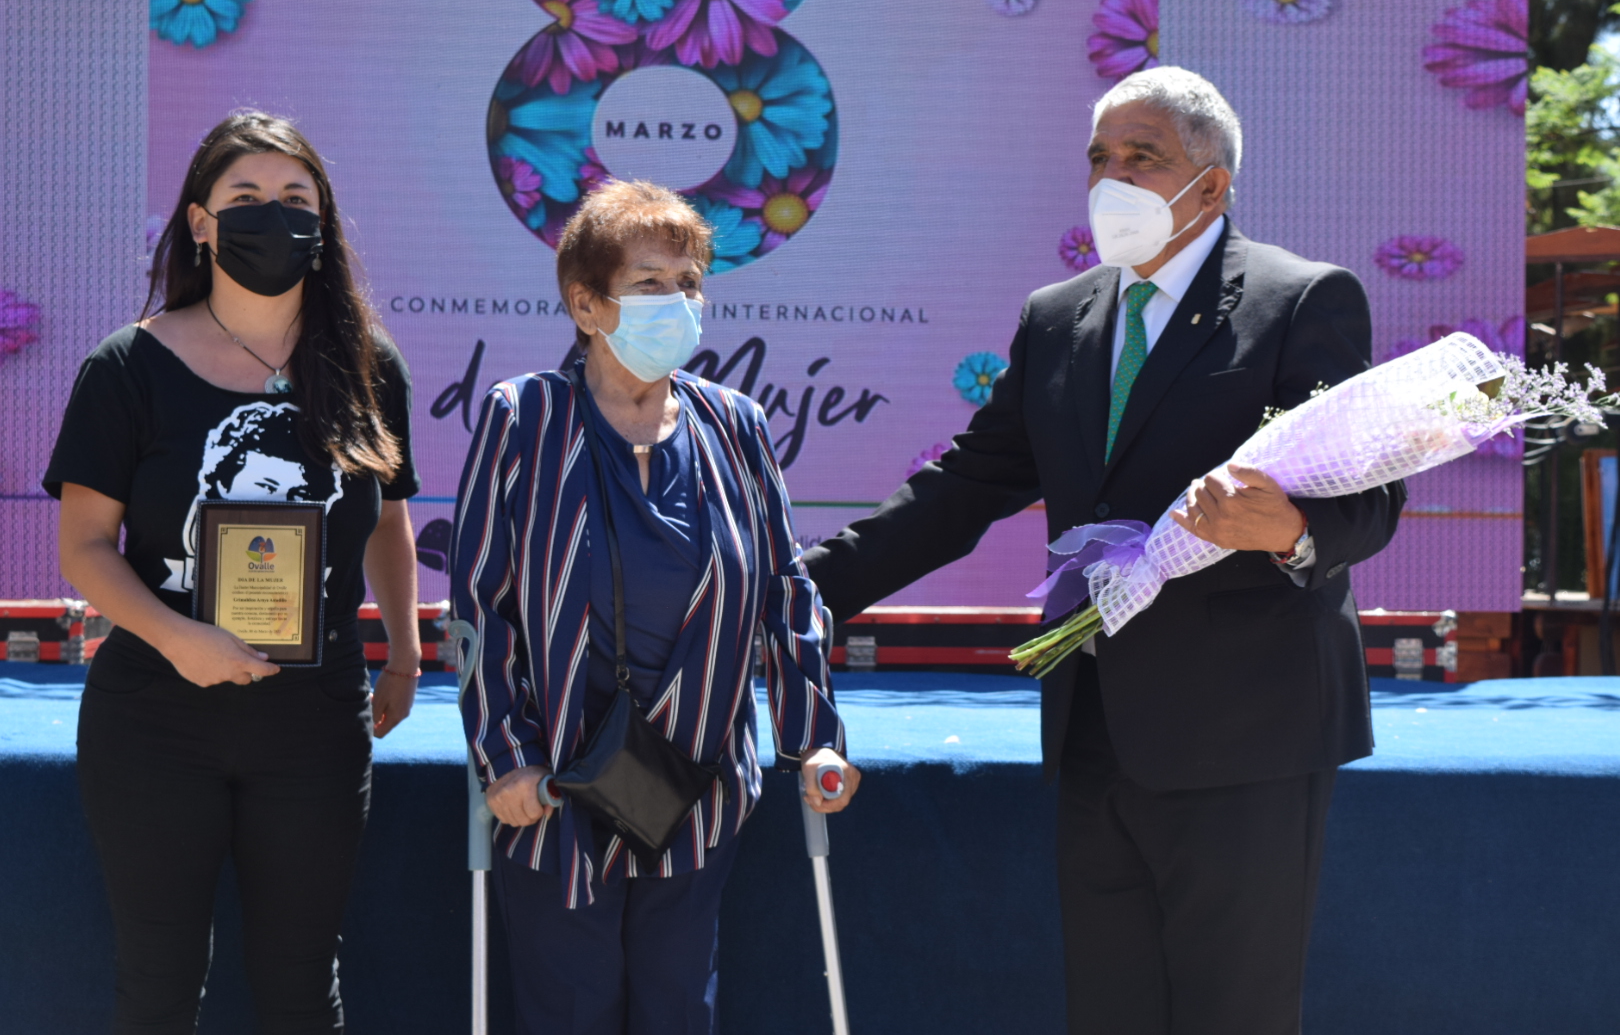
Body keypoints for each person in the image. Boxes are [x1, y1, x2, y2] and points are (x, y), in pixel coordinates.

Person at [803, 67, 1405, 1035]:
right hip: (1095, 734)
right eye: (1100, 158)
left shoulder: (1301, 302)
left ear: (1211, 186)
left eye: (1142, 156)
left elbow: (1371, 500)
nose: (1111, 178)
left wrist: (1289, 530)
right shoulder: (1057, 319)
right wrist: (802, 589)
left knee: (1233, 1018)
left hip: (1247, 738)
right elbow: (961, 489)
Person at [45, 110, 423, 1035]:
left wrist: (407, 652)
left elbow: (389, 517)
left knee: (301, 990)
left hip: (314, 723)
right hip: (155, 717)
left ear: (325, 224)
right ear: (201, 222)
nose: (274, 216)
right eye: (245, 198)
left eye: (297, 199)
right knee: (160, 990)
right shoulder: (126, 366)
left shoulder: (368, 366)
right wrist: (181, 640)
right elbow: (85, 547)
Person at [451, 179, 857, 1035]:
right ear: (586, 304)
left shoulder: (735, 425)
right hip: (559, 783)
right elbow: (481, 604)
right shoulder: (524, 416)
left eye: (688, 284)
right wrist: (506, 756)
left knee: (678, 1011)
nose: (677, 303)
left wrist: (814, 736)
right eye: (648, 285)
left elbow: (787, 591)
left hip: (697, 782)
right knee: (569, 1010)